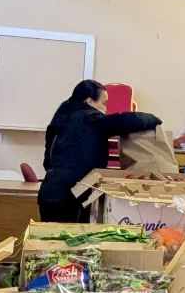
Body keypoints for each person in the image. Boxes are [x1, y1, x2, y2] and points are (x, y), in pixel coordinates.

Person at [39, 80, 161, 222]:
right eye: (104, 103)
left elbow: (47, 163)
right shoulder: (90, 119)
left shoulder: (58, 122)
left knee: (49, 241)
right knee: (73, 241)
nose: (105, 109)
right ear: (90, 101)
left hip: (49, 193)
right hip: (73, 197)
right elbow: (126, 121)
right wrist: (154, 119)